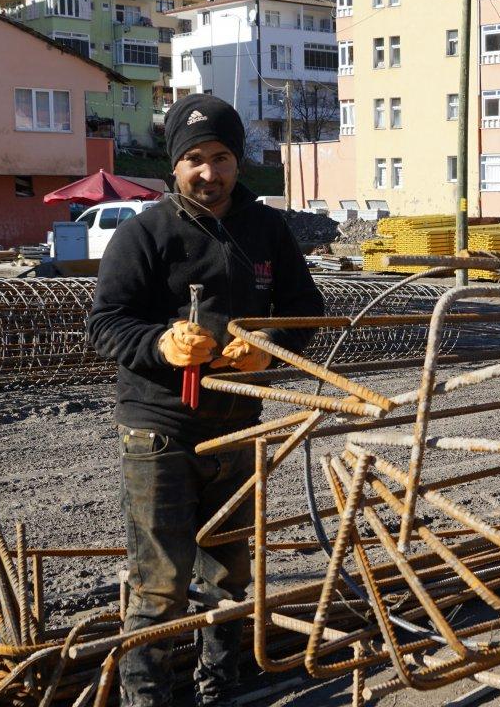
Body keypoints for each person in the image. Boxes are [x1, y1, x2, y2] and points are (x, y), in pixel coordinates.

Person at [87, 94, 325, 707]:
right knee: (159, 587)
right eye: (194, 158)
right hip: (159, 431)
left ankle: (224, 686)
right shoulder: (145, 232)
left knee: (230, 576)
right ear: (174, 166)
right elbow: (106, 324)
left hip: (237, 427)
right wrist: (162, 344)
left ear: (238, 161)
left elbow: (306, 313)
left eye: (221, 157)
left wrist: (270, 345)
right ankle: (149, 699)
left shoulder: (267, 229)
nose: (209, 173)